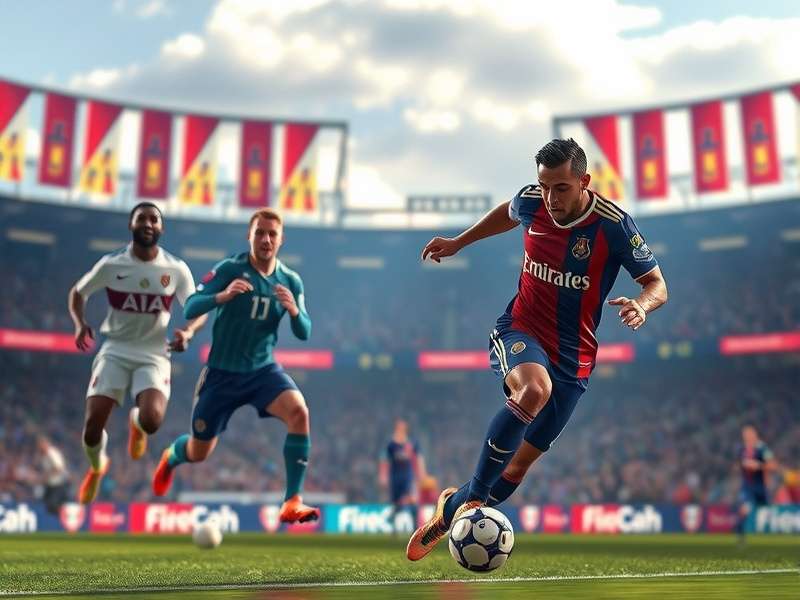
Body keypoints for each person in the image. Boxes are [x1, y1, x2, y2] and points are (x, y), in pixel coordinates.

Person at [407, 138, 668, 560]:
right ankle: (474, 505)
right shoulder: (532, 202)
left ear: (584, 181)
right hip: (520, 329)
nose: (550, 197)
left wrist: (642, 303)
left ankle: (451, 510)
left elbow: (657, 283)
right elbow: (507, 214)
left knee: (514, 469)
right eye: (544, 186)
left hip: (575, 359)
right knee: (533, 391)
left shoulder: (614, 225)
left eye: (560, 188)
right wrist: (459, 242)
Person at [152, 208, 319, 524]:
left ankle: (292, 500)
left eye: (272, 234)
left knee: (300, 412)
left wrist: (295, 311)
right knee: (200, 452)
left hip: (262, 371)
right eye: (260, 232)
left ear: (281, 240)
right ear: (249, 236)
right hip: (221, 375)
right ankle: (171, 457)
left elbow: (305, 332)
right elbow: (190, 306)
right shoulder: (231, 269)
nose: (266, 239)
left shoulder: (290, 280)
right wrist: (223, 296)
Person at [68, 202, 205, 504]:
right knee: (92, 430)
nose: (148, 223)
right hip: (115, 349)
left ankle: (137, 423)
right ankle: (97, 466)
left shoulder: (175, 269)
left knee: (153, 420)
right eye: (141, 218)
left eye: (154, 219)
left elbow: (199, 308)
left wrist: (189, 332)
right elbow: (78, 293)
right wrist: (80, 324)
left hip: (154, 353)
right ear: (131, 225)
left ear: (161, 228)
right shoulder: (111, 265)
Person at [380, 419, 426, 532]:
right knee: (396, 503)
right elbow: (384, 460)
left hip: (408, 477)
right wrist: (383, 475)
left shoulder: (411, 443)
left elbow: (419, 458)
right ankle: (394, 528)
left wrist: (422, 473)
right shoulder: (391, 445)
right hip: (395, 477)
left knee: (411, 500)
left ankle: (415, 528)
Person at [736, 425, 779, 542]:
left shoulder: (762, 448)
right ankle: (740, 537)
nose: (747, 437)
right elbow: (739, 465)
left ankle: (770, 536)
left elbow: (773, 465)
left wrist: (758, 465)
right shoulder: (741, 449)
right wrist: (744, 465)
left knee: (767, 511)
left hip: (761, 487)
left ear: (755, 434)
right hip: (748, 487)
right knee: (745, 508)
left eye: (750, 434)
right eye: (745, 435)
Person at [37, 436, 69, 514]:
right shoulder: (43, 455)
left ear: (46, 444)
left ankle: (61, 520)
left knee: (53, 504)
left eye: (41, 445)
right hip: (50, 484)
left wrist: (47, 475)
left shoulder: (52, 453)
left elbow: (59, 468)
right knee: (44, 502)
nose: (39, 447)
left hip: (59, 484)